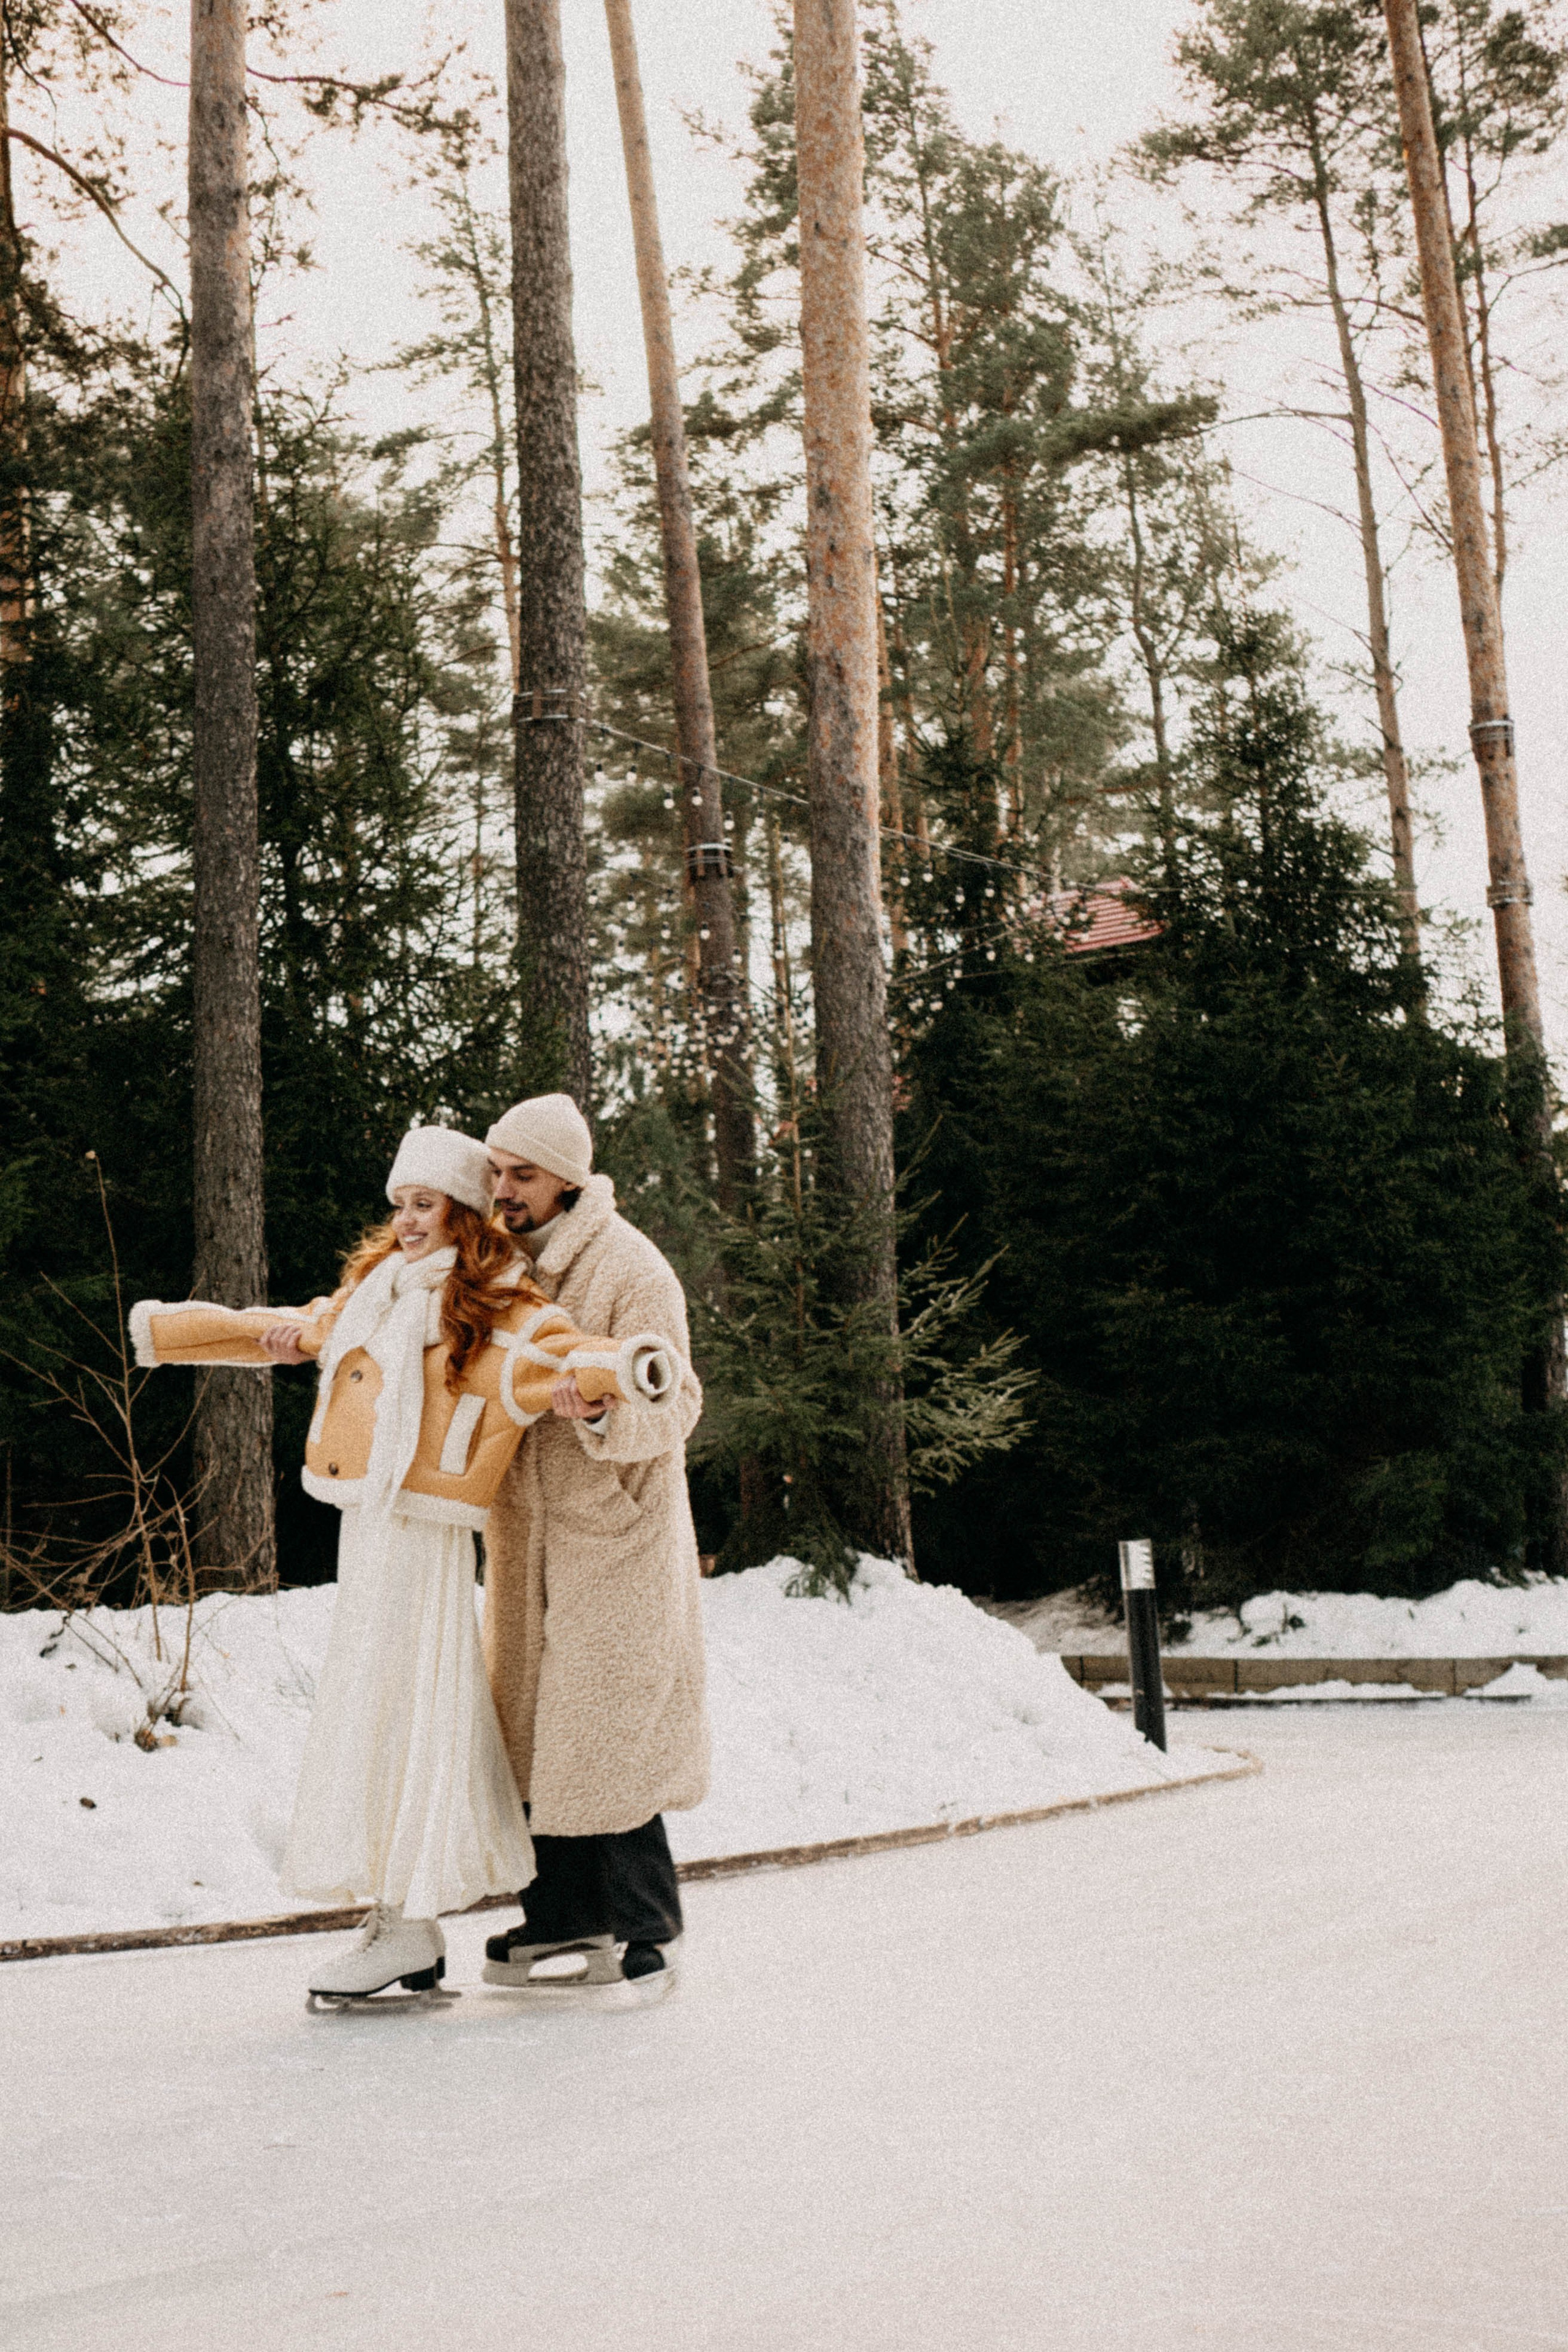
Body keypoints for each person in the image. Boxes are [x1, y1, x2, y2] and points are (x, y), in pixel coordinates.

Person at [479, 1093, 709, 2006]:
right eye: (498, 1173)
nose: (504, 1191)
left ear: (566, 1180)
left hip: (612, 1532)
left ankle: (649, 1922)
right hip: (526, 1527)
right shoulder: (499, 1270)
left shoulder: (633, 1268)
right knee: (536, 1728)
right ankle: (564, 1912)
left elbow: (679, 1400)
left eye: (522, 1176)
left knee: (609, 1725)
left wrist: (610, 1406)